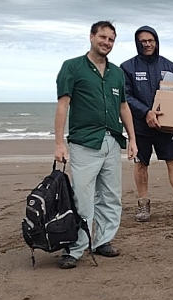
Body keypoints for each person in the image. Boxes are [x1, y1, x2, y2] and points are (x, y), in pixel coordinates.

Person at [53, 21, 136, 269]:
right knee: (83, 199)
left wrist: (133, 139)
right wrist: (59, 143)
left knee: (111, 197)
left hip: (112, 141)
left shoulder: (117, 73)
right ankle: (75, 249)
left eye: (111, 39)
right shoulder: (72, 67)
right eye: (102, 37)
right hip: (84, 143)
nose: (106, 43)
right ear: (91, 36)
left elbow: (123, 107)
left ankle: (103, 241)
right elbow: (63, 105)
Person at [121, 25, 173, 222]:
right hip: (140, 126)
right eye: (143, 41)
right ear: (137, 43)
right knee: (141, 163)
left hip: (167, 126)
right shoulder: (127, 68)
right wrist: (146, 112)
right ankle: (143, 205)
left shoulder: (171, 67)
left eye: (150, 40)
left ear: (156, 42)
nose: (147, 44)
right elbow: (125, 96)